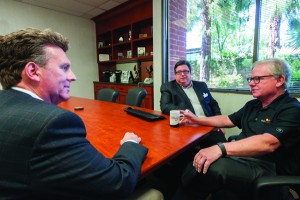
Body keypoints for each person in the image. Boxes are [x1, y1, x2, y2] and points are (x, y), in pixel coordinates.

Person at [0, 28, 163, 200]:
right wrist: (130, 144)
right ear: (33, 71)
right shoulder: (52, 123)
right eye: (64, 68)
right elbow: (116, 184)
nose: (73, 76)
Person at [174, 58, 300, 200]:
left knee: (211, 167)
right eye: (251, 79)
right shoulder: (253, 105)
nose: (251, 83)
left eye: (258, 79)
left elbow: (268, 143)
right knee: (198, 160)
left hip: (268, 168)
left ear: (279, 80)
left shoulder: (291, 109)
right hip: (242, 160)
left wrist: (220, 148)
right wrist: (196, 119)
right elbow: (227, 120)